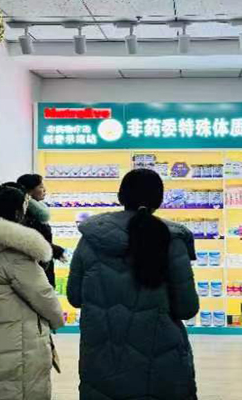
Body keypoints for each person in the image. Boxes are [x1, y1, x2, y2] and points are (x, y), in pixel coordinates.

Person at [67, 168, 199, 400]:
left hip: (102, 354)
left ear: (121, 196)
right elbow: (187, 308)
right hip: (160, 356)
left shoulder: (91, 237)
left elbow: (75, 297)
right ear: (159, 199)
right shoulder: (171, 239)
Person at [0, 185, 64, 400]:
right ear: (16, 213)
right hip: (15, 343)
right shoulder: (14, 254)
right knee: (19, 390)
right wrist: (57, 320)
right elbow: (43, 297)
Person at [17, 174, 66, 285]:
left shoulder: (35, 212)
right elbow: (30, 240)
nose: (44, 190)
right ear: (29, 191)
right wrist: (54, 249)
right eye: (40, 187)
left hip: (42, 263)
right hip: (35, 268)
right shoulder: (26, 214)